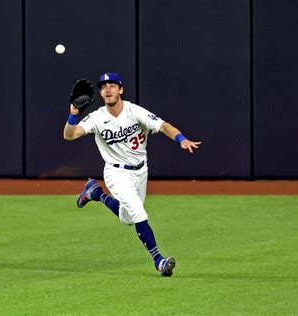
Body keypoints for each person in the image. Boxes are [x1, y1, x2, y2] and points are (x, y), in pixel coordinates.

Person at [63, 72, 201, 277]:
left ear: (121, 90)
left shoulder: (134, 111)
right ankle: (159, 261)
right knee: (138, 213)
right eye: (103, 87)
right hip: (116, 172)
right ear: (100, 93)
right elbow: (69, 135)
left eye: (112, 85)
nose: (107, 89)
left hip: (140, 171)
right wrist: (73, 113)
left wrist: (181, 139)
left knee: (127, 218)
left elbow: (163, 126)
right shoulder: (97, 117)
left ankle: (96, 193)